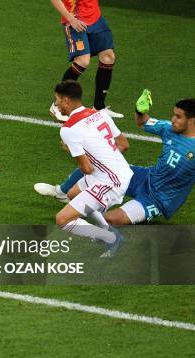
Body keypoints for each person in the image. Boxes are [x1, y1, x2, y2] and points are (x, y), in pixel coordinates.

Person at [36, 91, 195, 225]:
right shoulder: (169, 129)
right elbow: (143, 122)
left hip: (158, 199)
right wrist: (140, 111)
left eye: (178, 117)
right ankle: (61, 192)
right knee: (92, 173)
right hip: (144, 177)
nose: (172, 120)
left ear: (192, 121)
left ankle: (92, 215)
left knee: (110, 220)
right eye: (173, 115)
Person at [51, 80, 132, 257]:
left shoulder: (68, 130)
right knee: (72, 193)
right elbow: (123, 145)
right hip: (120, 170)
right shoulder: (100, 114)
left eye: (56, 100)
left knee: (63, 220)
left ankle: (110, 237)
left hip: (110, 181)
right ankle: (106, 229)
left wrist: (70, 149)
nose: (56, 104)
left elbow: (86, 168)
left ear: (66, 100)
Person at [49, 0, 123, 121]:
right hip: (75, 19)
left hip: (95, 17)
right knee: (83, 61)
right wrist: (71, 20)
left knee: (108, 57)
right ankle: (57, 105)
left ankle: (99, 108)